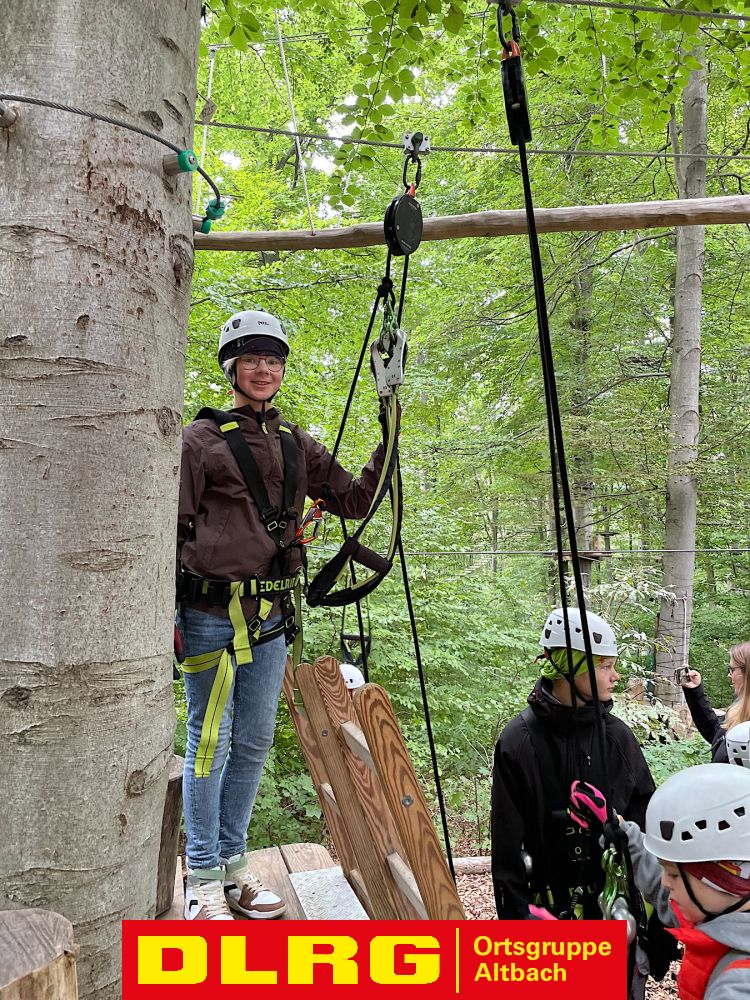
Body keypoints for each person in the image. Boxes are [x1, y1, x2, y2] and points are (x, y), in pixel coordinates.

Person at [176, 309, 391, 920]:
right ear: (232, 369)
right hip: (211, 612)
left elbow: (354, 499)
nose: (263, 369)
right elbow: (172, 527)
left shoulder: (295, 443)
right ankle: (202, 879)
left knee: (253, 741)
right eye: (251, 359)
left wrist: (389, 432)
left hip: (271, 614)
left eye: (272, 360)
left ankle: (234, 866)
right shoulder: (199, 441)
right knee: (210, 741)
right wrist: (167, 616)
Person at [491, 606, 661, 996]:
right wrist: (517, 925)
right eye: (606, 666)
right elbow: (507, 847)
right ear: (572, 667)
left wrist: (656, 926)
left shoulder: (616, 739)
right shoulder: (519, 742)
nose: (616, 676)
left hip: (614, 924)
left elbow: (646, 828)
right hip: (548, 924)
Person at [619, 764, 750, 1000]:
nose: (665, 882)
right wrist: (623, 834)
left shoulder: (738, 986)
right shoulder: (720, 913)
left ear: (727, 880)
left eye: (674, 875)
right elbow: (667, 893)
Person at [680, 643, 750, 763]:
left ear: (747, 672)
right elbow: (716, 734)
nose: (729, 675)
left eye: (732, 669)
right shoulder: (739, 708)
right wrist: (695, 692)